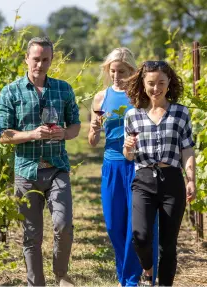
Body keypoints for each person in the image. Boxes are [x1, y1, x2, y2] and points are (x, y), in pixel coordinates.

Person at [0, 36, 81, 287]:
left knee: (63, 225)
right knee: (31, 235)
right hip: (26, 171)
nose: (40, 65)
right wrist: (32, 134)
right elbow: (3, 135)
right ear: (26, 59)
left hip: (57, 168)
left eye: (45, 59)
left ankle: (61, 274)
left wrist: (64, 133)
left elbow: (75, 125)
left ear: (51, 60)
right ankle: (36, 283)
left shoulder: (63, 89)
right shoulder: (10, 91)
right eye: (36, 59)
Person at [88, 47, 158, 287]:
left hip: (137, 166)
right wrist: (95, 129)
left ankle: (129, 280)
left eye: (122, 71)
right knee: (113, 225)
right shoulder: (100, 97)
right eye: (112, 70)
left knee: (134, 228)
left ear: (132, 71)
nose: (116, 75)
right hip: (111, 166)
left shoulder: (140, 97)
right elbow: (92, 141)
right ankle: (127, 275)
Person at [123, 60, 196, 286]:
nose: (156, 88)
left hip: (172, 180)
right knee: (141, 236)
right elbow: (129, 156)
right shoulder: (132, 115)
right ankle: (147, 272)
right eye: (151, 83)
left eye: (161, 83)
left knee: (168, 243)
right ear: (143, 84)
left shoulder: (180, 113)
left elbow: (187, 149)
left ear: (169, 83)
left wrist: (190, 179)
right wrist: (127, 148)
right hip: (144, 179)